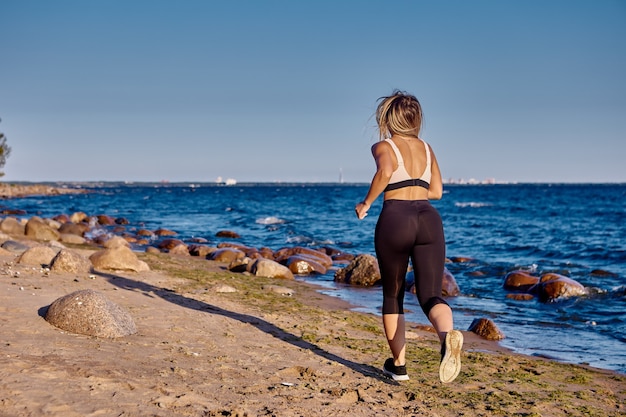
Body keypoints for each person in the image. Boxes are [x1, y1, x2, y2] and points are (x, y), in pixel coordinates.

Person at [355, 90, 463, 383]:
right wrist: (414, 188)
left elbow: (386, 171)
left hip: (395, 219)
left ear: (388, 119)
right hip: (429, 219)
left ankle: (399, 365)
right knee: (430, 295)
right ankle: (447, 336)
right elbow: (437, 192)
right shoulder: (428, 149)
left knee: (393, 294)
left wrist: (366, 203)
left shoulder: (383, 145)